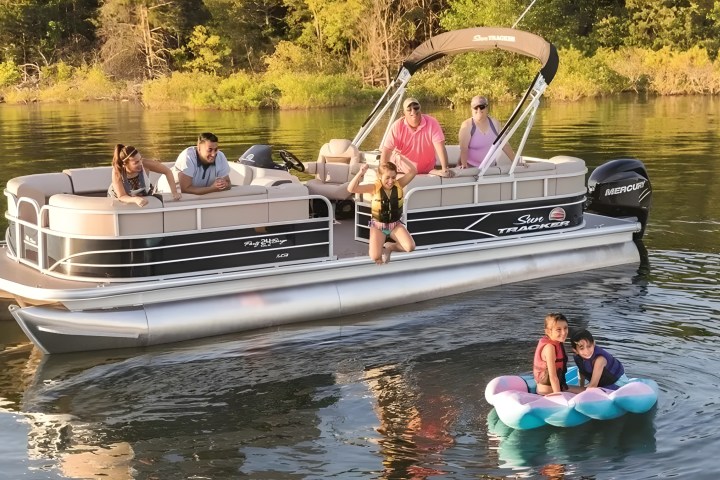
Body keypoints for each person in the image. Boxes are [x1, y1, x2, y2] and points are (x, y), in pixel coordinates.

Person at [347, 153, 417, 264]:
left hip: (395, 225)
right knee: (376, 257)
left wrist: (402, 158)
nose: (391, 181)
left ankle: (390, 247)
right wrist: (361, 173)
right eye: (387, 178)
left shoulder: (399, 184)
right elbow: (351, 189)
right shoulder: (374, 187)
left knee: (410, 247)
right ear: (380, 177)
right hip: (378, 226)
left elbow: (413, 171)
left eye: (393, 177)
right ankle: (381, 251)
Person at [380, 97, 452, 177]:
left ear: (420, 109)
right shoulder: (397, 126)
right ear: (404, 112)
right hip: (401, 171)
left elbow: (440, 148)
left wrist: (445, 168)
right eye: (409, 109)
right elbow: (387, 150)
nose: (413, 111)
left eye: (416, 108)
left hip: (427, 171)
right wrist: (382, 174)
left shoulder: (432, 123)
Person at [108, 144, 181, 206]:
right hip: (120, 199)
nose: (140, 163)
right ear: (125, 164)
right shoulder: (117, 171)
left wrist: (174, 192)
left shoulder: (145, 164)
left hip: (142, 196)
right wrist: (135, 199)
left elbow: (167, 171)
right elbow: (122, 196)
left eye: (140, 159)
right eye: (136, 162)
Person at [458, 95, 515, 169]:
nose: (479, 110)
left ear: (487, 107)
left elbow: (504, 144)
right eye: (475, 107)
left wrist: (515, 162)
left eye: (482, 107)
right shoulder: (467, 125)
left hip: (490, 168)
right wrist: (464, 165)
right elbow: (464, 148)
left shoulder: (495, 123)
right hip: (471, 167)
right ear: (471, 109)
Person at [532, 312, 583, 395]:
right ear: (548, 331)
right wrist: (559, 397)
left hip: (560, 387)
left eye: (565, 328)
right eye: (558, 329)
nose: (563, 333)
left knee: (591, 391)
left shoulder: (558, 343)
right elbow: (553, 377)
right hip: (547, 392)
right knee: (590, 393)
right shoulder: (549, 348)